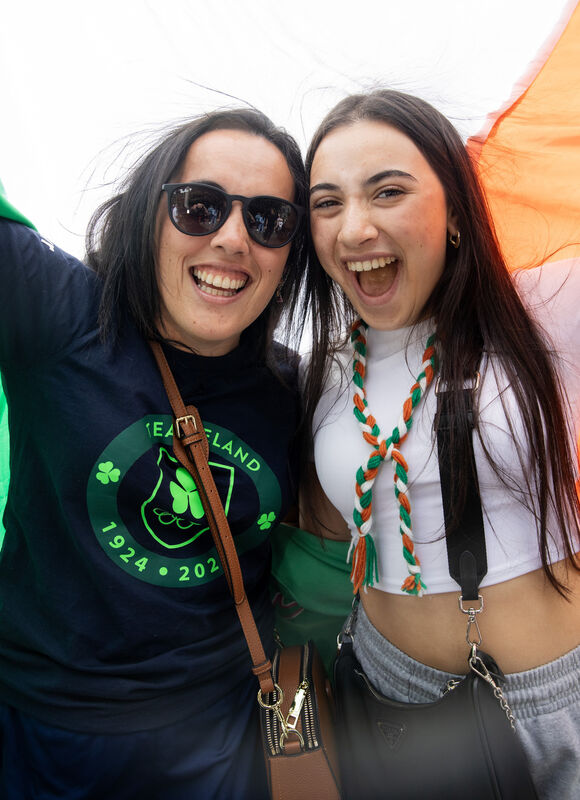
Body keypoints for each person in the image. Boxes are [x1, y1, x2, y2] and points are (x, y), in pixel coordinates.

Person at [0, 106, 308, 799]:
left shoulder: (291, 388)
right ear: (149, 211)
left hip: (226, 741)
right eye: (199, 207)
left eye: (268, 220)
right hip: (41, 742)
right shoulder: (63, 313)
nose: (233, 239)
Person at [300, 89, 580, 798]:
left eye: (387, 191)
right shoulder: (321, 373)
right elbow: (326, 537)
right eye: (327, 203)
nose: (354, 227)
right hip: (400, 701)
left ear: (455, 210)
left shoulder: (547, 309)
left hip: (564, 695)